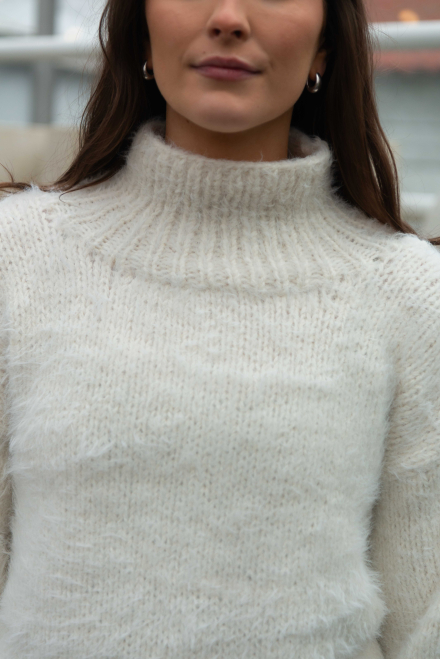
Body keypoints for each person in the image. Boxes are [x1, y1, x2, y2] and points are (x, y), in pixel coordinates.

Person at [0, 0, 439, 657]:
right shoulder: (17, 257)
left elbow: (426, 616)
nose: (229, 17)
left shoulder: (411, 294)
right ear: (141, 31)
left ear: (325, 47)